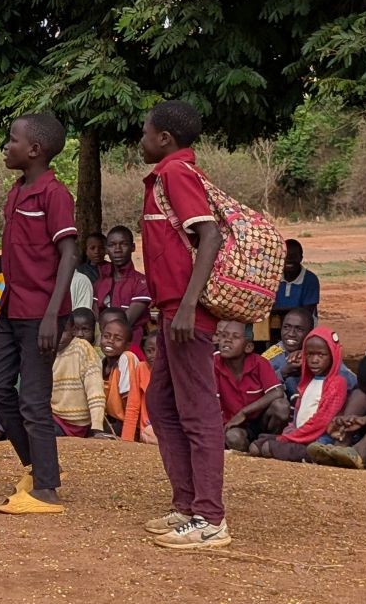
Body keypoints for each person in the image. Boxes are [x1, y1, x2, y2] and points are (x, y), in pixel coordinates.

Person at [137, 100, 230, 549]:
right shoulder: (168, 174)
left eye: (144, 133)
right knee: (163, 402)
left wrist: (189, 306)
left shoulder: (175, 174)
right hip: (174, 308)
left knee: (197, 410)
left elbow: (209, 235)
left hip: (186, 310)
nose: (141, 141)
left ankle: (210, 518)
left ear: (165, 139)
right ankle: (187, 504)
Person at [0, 112, 79, 515]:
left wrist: (54, 315)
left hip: (41, 314)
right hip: (12, 310)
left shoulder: (55, 195)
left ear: (35, 150)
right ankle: (35, 466)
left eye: (12, 139)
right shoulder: (17, 190)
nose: (7, 146)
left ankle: (47, 489)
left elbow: (69, 253)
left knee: (34, 401)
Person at [249, 328, 347, 461]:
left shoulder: (336, 383)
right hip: (299, 435)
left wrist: (289, 438)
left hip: (317, 440)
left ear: (333, 355)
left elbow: (321, 422)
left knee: (267, 447)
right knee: (256, 445)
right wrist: (290, 433)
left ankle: (316, 456)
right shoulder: (308, 380)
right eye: (310, 354)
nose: (314, 360)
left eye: (321, 355)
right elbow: (298, 414)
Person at [213, 320, 285, 452]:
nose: (227, 340)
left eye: (235, 337)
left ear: (248, 347)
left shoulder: (259, 363)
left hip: (261, 422)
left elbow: (277, 392)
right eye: (224, 336)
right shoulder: (213, 363)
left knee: (281, 407)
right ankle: (250, 457)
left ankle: (269, 444)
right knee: (233, 438)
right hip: (233, 425)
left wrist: (243, 413)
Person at [93, 226, 153, 357]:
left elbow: (125, 322)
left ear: (132, 247)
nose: (118, 250)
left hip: (130, 345)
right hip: (101, 343)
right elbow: (96, 317)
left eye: (123, 244)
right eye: (112, 245)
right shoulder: (100, 282)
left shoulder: (141, 283)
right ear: (107, 250)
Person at [49, 321, 109, 439]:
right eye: (53, 332)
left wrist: (97, 428)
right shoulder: (47, 350)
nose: (58, 337)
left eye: (63, 331)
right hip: (54, 416)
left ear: (73, 330)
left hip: (77, 424)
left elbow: (95, 390)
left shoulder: (82, 348)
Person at [100, 316, 151, 442]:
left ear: (127, 345)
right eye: (106, 336)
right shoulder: (101, 362)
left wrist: (127, 437)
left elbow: (130, 403)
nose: (110, 341)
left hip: (128, 423)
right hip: (113, 419)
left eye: (117, 339)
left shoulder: (126, 357)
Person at [273, 239, 320, 317]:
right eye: (285, 256)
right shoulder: (273, 278)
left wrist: (276, 312)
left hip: (302, 324)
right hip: (274, 323)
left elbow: (306, 313)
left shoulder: (310, 280)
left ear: (301, 258)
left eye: (294, 256)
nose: (289, 259)